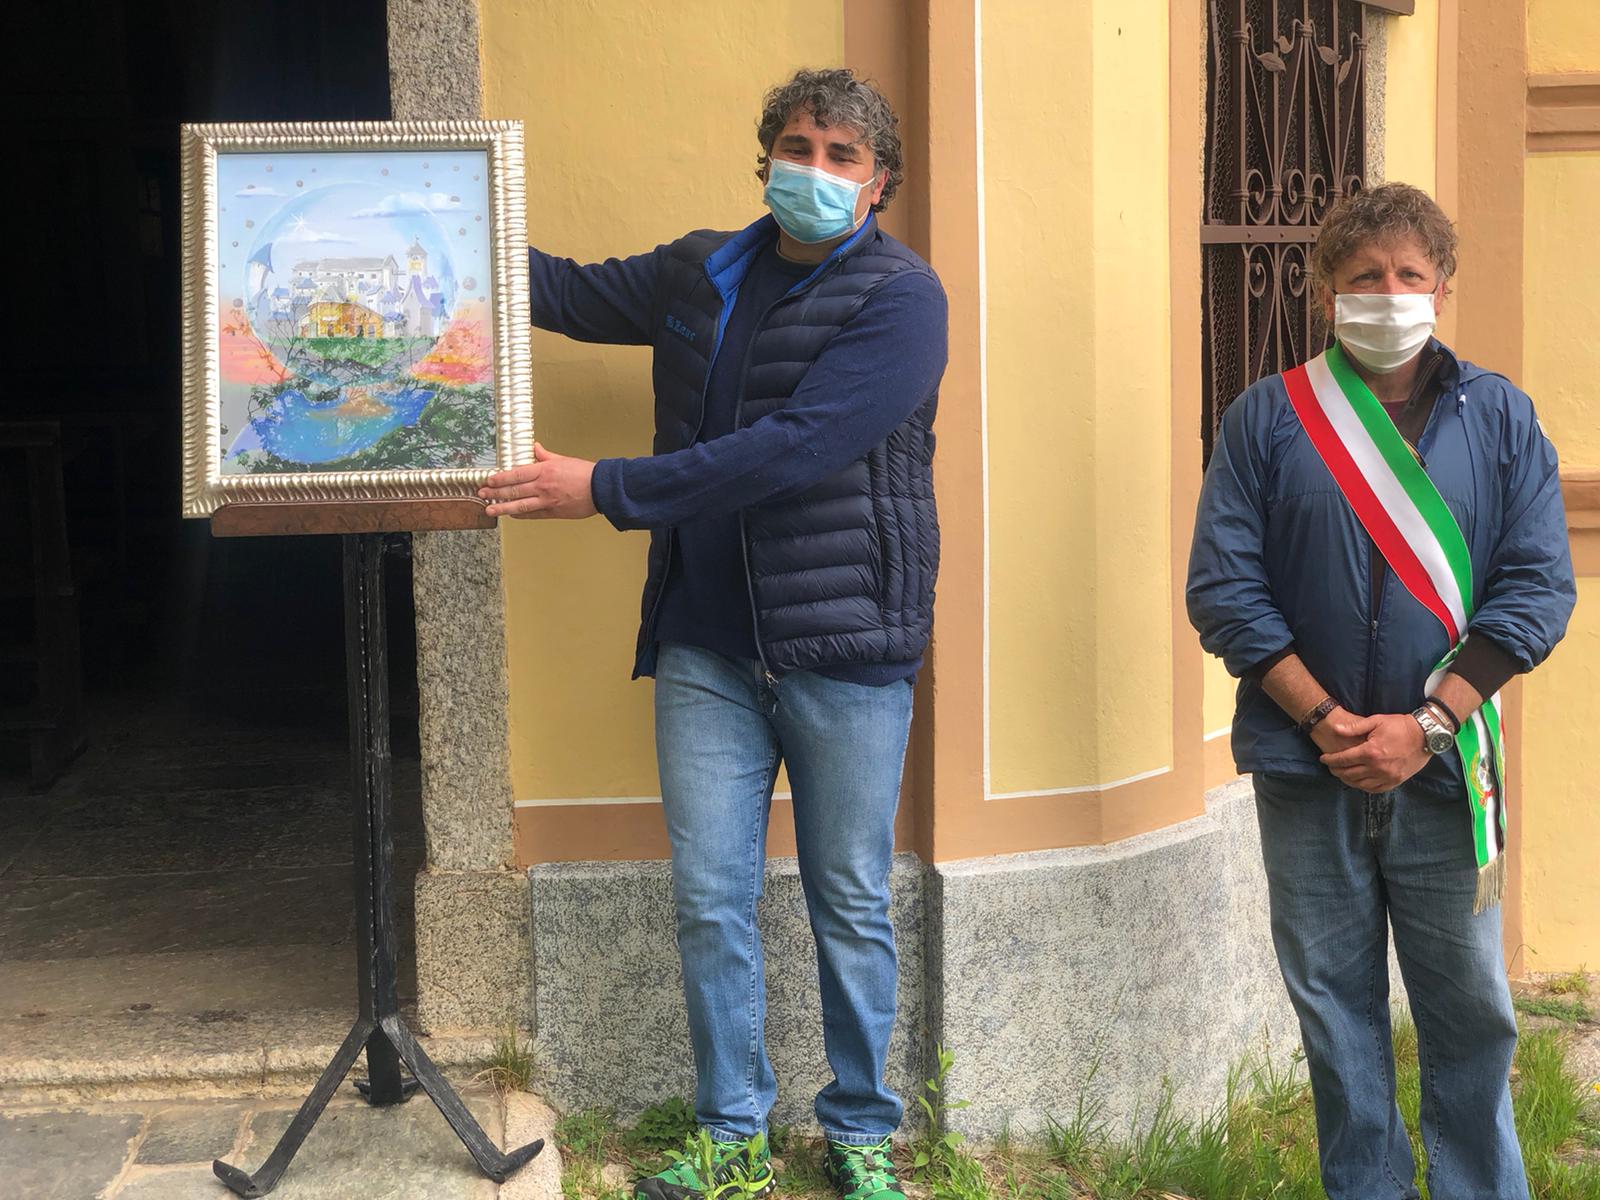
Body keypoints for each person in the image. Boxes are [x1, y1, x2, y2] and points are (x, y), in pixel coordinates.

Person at [480, 68, 947, 1200]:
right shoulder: (700, 269)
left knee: (849, 901)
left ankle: (860, 1134)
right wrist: (438, 221)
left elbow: (797, 446)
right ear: (766, 157)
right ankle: (732, 1136)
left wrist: (606, 487)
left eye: (842, 156)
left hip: (845, 648)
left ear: (879, 181)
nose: (815, 171)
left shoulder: (902, 299)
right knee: (708, 900)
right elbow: (557, 289)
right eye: (798, 147)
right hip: (703, 644)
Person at [1186, 182, 1574, 1199]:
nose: (1388, 293)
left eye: (1409, 274)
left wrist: (1429, 724)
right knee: (1333, 1008)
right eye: (1365, 275)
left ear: (1442, 287)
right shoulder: (1267, 418)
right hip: (1303, 765)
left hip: (1444, 771)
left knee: (1470, 1010)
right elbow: (1223, 590)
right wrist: (1321, 719)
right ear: (1327, 291)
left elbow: (1537, 588)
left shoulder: (1499, 416)